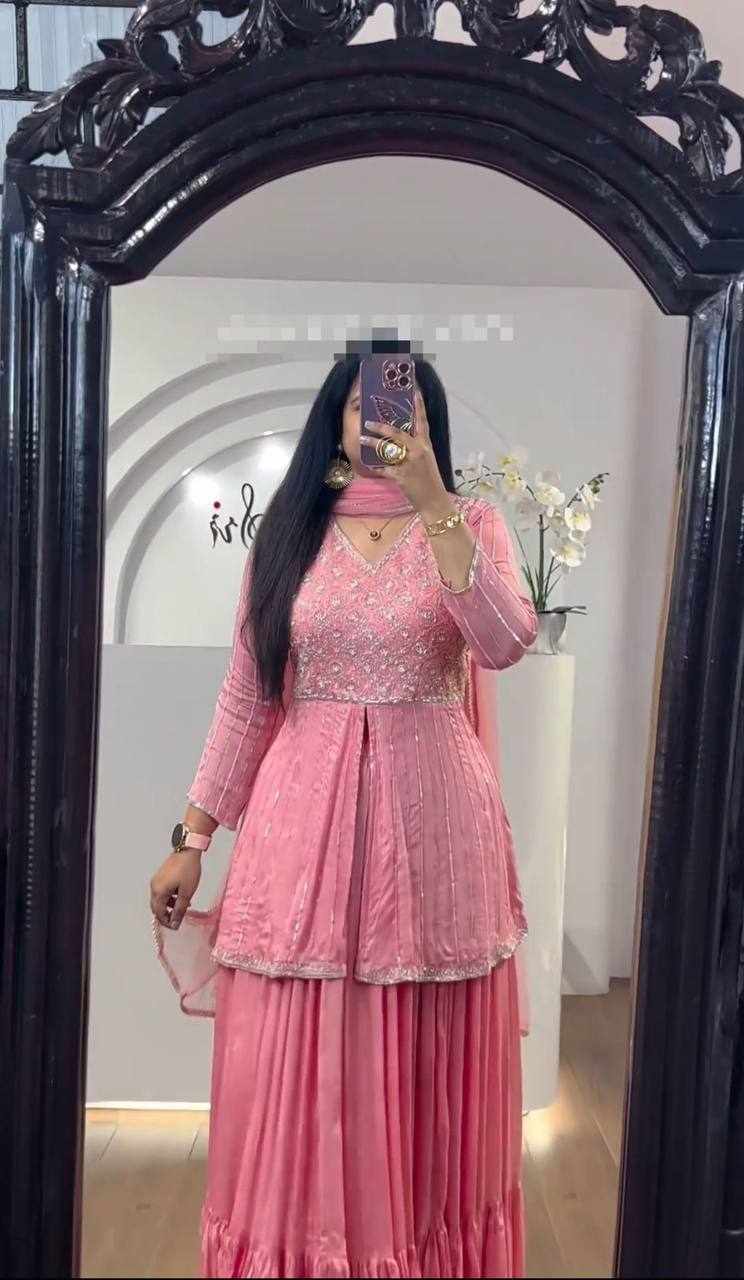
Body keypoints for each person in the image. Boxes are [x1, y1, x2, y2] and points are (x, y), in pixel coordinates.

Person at [149, 353, 538, 1278]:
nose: (381, 424)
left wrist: (434, 500)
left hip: (434, 836)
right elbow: (247, 696)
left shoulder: (473, 525)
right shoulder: (290, 533)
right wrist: (192, 839)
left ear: (429, 424)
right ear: (334, 420)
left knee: (420, 1049)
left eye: (402, 410)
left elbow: (504, 642)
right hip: (300, 835)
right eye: (364, 407)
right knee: (295, 1051)